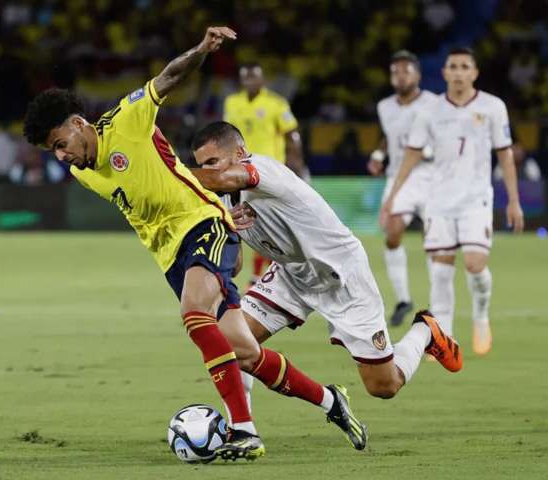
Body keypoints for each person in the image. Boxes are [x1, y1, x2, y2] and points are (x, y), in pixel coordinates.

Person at [23, 26, 353, 461]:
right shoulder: (82, 172)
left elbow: (168, 78)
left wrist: (202, 50)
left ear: (79, 124)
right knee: (246, 352)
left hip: (203, 227)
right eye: (53, 152)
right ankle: (332, 401)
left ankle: (244, 430)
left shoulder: (127, 121)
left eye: (61, 144)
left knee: (194, 314)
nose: (61, 156)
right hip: (170, 257)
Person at [190, 121, 462, 439]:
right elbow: (234, 265)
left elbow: (220, 178)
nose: (207, 171)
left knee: (384, 386)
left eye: (212, 162)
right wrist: (226, 228)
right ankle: (242, 430)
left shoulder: (262, 170)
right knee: (233, 342)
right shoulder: (222, 199)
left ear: (239, 153)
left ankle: (424, 331)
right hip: (291, 274)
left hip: (343, 276)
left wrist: (173, 176)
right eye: (201, 165)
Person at [381, 47, 524, 355]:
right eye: (453, 66)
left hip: (476, 200)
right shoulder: (429, 112)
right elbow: (412, 154)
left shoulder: (492, 107)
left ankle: (481, 314)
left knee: (475, 265)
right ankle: (444, 340)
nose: (458, 72)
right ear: (444, 73)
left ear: (474, 72)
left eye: (464, 67)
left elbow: (505, 154)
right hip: (439, 200)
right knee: (441, 269)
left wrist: (514, 200)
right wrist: (392, 196)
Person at [368, 50, 438, 326]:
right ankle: (403, 299)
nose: (400, 76)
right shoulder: (385, 106)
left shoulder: (434, 103)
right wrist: (378, 155)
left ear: (417, 75)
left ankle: (438, 305)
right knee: (393, 232)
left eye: (406, 71)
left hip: (431, 176)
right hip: (399, 176)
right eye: (395, 71)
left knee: (435, 241)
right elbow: (389, 134)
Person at [223, 63, 307, 287]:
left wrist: (296, 164)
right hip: (239, 173)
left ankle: (261, 275)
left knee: (264, 222)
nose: (250, 81)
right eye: (246, 78)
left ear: (262, 80)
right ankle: (263, 274)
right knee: (247, 222)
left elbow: (292, 135)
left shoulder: (276, 104)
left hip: (268, 173)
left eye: (254, 77)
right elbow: (226, 136)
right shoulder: (232, 102)